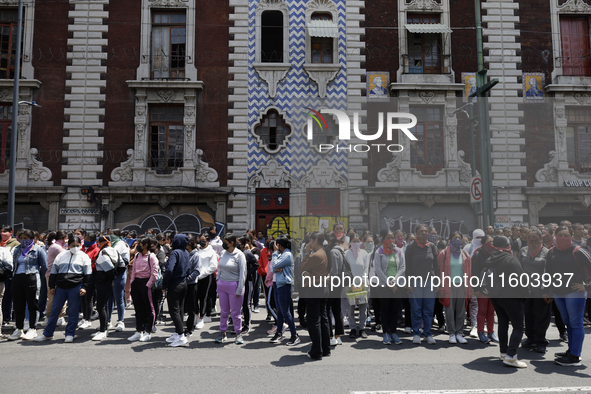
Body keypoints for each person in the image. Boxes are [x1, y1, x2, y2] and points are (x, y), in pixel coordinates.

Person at [544, 226, 591, 367]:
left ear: (571, 236)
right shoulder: (551, 252)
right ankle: (572, 350)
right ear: (555, 236)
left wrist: (587, 287)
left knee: (575, 323)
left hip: (574, 292)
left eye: (566, 235)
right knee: (568, 322)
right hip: (558, 292)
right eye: (560, 235)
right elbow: (548, 272)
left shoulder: (579, 251)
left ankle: (575, 356)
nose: (563, 238)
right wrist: (546, 290)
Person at [35, 234, 92, 343]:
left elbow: (88, 275)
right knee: (54, 310)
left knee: (73, 311)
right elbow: (54, 272)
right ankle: (48, 333)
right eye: (72, 245)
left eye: (77, 245)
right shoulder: (61, 256)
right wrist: (52, 286)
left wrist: (85, 287)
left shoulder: (84, 257)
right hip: (60, 287)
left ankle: (70, 333)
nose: (75, 247)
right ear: (68, 245)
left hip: (76, 286)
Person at [486, 236, 530, 368]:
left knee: (503, 323)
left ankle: (503, 352)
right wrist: (527, 294)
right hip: (512, 297)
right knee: (518, 327)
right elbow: (521, 280)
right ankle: (511, 357)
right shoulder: (511, 259)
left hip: (495, 296)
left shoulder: (490, 258)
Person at [7, 229, 47, 341]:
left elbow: (44, 267)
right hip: (17, 278)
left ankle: (32, 328)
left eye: (26, 238)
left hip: (31, 277)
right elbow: (14, 264)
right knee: (18, 305)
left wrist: (40, 278)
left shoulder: (38, 250)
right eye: (22, 238)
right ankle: (19, 328)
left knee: (32, 303)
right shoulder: (17, 249)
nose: (24, 240)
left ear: (32, 238)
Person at [405, 223, 440, 345]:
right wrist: (408, 282)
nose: (424, 233)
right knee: (416, 309)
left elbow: (436, 266)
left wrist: (437, 282)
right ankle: (416, 333)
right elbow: (407, 267)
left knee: (429, 309)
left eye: (426, 231)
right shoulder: (410, 247)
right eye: (421, 231)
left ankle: (428, 333)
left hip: (430, 281)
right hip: (415, 282)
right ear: (416, 233)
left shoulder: (432, 246)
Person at [517, 227, 550, 353]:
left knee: (540, 316)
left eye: (534, 236)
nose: (531, 239)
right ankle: (530, 338)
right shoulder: (523, 251)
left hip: (541, 290)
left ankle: (540, 341)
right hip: (526, 289)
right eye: (529, 236)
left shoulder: (547, 252)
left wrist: (548, 290)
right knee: (528, 314)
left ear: (540, 237)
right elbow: (519, 269)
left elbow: (550, 272)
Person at [300, 231, 330, 360]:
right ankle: (325, 348)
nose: (309, 243)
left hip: (314, 287)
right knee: (323, 318)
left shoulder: (315, 255)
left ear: (315, 240)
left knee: (314, 321)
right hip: (323, 287)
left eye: (310, 241)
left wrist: (306, 253)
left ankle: (316, 351)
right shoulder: (324, 252)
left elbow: (302, 267)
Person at [438, 232, 472, 344]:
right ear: (450, 240)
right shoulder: (444, 254)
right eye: (454, 237)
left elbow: (469, 272)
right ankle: (451, 333)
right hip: (449, 285)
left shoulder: (465, 254)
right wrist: (441, 287)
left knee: (461, 310)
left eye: (459, 238)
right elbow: (440, 272)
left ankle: (459, 332)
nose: (457, 240)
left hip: (461, 285)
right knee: (449, 309)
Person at [373, 230, 406, 345]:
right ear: (383, 239)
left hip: (396, 285)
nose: (391, 240)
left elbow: (402, 268)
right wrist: (388, 282)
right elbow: (378, 269)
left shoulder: (399, 251)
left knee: (395, 309)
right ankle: (386, 333)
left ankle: (394, 332)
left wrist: (395, 281)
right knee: (385, 309)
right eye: (388, 237)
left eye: (392, 237)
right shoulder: (379, 252)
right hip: (383, 285)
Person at [215, 233, 246, 345]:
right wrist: (218, 280)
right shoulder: (223, 253)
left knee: (236, 313)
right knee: (223, 312)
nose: (223, 244)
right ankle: (223, 332)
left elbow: (243, 273)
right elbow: (220, 268)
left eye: (226, 242)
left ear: (232, 243)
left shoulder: (240, 255)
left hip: (234, 286)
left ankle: (238, 333)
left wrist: (239, 288)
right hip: (222, 285)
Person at [269, 236, 299, 346]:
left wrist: (275, 254)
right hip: (277, 283)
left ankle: (294, 335)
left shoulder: (287, 254)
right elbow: (273, 268)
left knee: (285, 312)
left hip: (284, 285)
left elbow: (275, 265)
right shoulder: (282, 254)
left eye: (276, 244)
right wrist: (276, 265)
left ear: (280, 245)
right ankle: (279, 333)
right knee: (280, 312)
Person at [128, 237, 159, 343]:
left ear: (146, 245)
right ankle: (139, 330)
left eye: (140, 244)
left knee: (148, 308)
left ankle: (148, 331)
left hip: (146, 283)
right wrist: (132, 282)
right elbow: (134, 270)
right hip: (136, 283)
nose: (138, 246)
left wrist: (148, 285)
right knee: (138, 308)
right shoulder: (137, 255)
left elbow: (154, 273)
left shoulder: (152, 256)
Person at [162, 234, 191, 347]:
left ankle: (180, 335)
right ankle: (177, 332)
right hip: (183, 283)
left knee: (174, 310)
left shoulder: (175, 253)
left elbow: (169, 269)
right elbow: (188, 269)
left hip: (174, 284)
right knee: (180, 309)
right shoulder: (186, 252)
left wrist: (165, 284)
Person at [471, 234, 498, 344]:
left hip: (493, 287)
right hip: (481, 287)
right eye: (489, 242)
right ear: (484, 243)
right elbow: (474, 273)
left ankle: (491, 332)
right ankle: (481, 332)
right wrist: (476, 288)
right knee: (482, 311)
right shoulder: (477, 255)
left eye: (493, 242)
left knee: (491, 311)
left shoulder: (496, 254)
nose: (492, 245)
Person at [91, 235, 118, 341]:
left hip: (103, 281)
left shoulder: (103, 253)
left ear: (102, 243)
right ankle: (105, 328)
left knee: (101, 306)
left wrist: (108, 277)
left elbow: (109, 268)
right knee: (105, 305)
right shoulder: (113, 250)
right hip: (108, 282)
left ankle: (103, 330)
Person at [345, 233, 370, 339]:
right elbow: (345, 270)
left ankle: (362, 328)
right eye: (354, 241)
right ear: (350, 242)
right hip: (351, 285)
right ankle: (352, 328)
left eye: (358, 241)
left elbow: (366, 268)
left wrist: (362, 282)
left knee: (363, 308)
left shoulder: (364, 253)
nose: (356, 243)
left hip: (362, 284)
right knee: (350, 309)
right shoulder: (346, 254)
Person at [43, 230, 68, 328]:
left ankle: (55, 316)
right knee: (54, 296)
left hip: (53, 274)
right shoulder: (57, 247)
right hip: (55, 275)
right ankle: (52, 316)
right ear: (64, 238)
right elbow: (67, 256)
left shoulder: (55, 246)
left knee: (53, 296)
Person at [194, 231, 218, 328]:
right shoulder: (197, 250)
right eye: (201, 240)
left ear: (208, 241)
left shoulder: (211, 252)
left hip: (206, 277)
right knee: (195, 297)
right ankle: (196, 315)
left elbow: (213, 266)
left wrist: (202, 274)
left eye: (204, 240)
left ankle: (201, 318)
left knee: (204, 298)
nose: (202, 242)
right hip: (195, 278)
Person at [80, 231, 99, 330]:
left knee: (89, 298)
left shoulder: (96, 250)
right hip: (81, 275)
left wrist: (88, 263)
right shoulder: (82, 248)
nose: (85, 241)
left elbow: (95, 264)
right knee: (82, 298)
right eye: (85, 239)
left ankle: (88, 319)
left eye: (87, 240)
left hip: (91, 275)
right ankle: (84, 317)